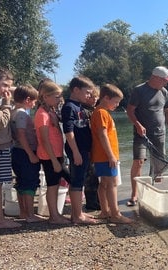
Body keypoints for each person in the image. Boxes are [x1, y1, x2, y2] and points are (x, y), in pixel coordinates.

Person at [126, 66, 168, 207]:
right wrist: (138, 125)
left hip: (160, 133)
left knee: (159, 165)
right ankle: (134, 195)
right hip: (141, 134)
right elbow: (130, 111)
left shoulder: (164, 92)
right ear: (155, 77)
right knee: (139, 161)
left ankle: (156, 191)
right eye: (164, 81)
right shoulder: (139, 90)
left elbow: (167, 111)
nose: (166, 84)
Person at [91, 84, 133, 223]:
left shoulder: (100, 112)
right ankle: (115, 215)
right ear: (106, 98)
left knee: (103, 183)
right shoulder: (102, 113)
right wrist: (111, 155)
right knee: (112, 184)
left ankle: (105, 211)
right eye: (116, 102)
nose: (117, 105)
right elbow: (102, 135)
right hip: (106, 156)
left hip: (101, 156)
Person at [61, 76, 97, 224]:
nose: (89, 95)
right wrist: (75, 152)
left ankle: (78, 212)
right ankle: (77, 216)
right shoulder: (69, 107)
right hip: (77, 150)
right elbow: (68, 131)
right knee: (77, 182)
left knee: (80, 180)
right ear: (76, 90)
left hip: (83, 149)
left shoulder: (79, 106)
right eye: (87, 92)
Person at [35, 80, 71, 224]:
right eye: (56, 96)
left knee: (55, 184)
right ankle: (54, 216)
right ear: (45, 97)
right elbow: (44, 140)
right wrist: (55, 161)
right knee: (54, 184)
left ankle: (55, 214)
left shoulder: (51, 111)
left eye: (60, 96)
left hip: (57, 154)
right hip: (49, 156)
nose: (59, 99)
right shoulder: (42, 114)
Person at [0, 67, 21, 229]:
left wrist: (8, 91)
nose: (7, 90)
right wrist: (7, 104)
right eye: (4, 85)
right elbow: (1, 123)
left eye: (9, 86)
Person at [10, 84, 45, 222]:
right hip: (26, 152)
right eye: (34, 101)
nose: (35, 103)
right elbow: (21, 134)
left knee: (21, 182)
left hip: (16, 152)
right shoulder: (22, 114)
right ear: (28, 100)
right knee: (30, 182)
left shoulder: (12, 111)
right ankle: (30, 214)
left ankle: (24, 212)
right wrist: (31, 154)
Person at [83, 87, 101, 211]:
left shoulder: (94, 110)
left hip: (94, 148)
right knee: (90, 176)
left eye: (96, 97)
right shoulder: (84, 111)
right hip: (88, 147)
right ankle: (91, 203)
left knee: (95, 176)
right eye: (91, 96)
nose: (94, 99)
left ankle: (97, 200)